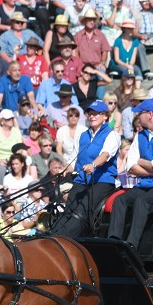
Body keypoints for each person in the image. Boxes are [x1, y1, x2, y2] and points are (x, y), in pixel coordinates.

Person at [107, 98, 153, 249]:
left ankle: (131, 245)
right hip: (148, 183)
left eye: (139, 113)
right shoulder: (141, 135)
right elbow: (130, 166)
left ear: (150, 114)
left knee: (142, 201)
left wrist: (140, 161)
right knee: (120, 200)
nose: (137, 117)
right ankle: (113, 242)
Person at [51, 101, 118, 238]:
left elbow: (105, 155)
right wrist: (64, 170)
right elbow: (76, 158)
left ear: (105, 116)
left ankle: (63, 240)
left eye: (96, 113)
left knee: (81, 211)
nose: (92, 116)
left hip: (102, 181)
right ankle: (51, 237)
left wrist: (93, 165)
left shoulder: (112, 135)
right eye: (90, 113)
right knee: (69, 209)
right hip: (82, 179)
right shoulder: (83, 135)